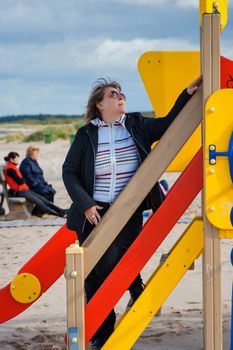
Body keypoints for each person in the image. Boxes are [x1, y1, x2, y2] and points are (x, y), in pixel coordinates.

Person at [62, 76, 202, 349]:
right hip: (94, 214)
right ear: (100, 104)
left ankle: (107, 328)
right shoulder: (86, 134)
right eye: (113, 94)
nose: (120, 96)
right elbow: (69, 172)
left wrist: (186, 93)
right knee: (96, 273)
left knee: (106, 268)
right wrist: (86, 203)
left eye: (121, 93)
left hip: (129, 210)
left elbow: (167, 124)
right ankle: (125, 302)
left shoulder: (136, 124)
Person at [4, 152, 68, 218]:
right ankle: (58, 214)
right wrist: (24, 179)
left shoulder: (13, 168)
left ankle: (61, 210)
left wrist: (24, 179)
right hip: (19, 192)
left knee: (44, 200)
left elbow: (21, 180)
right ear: (11, 160)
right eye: (16, 159)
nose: (18, 161)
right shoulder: (10, 170)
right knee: (40, 203)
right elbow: (20, 181)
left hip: (24, 190)